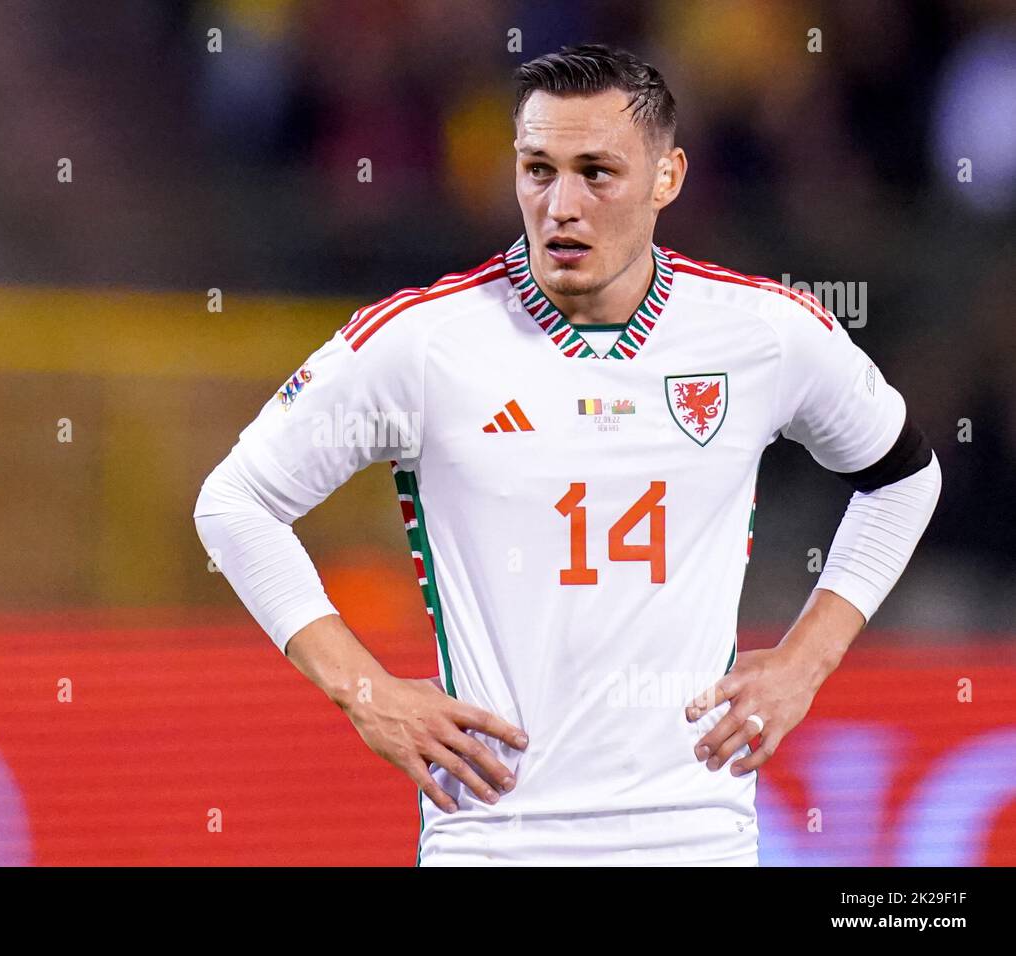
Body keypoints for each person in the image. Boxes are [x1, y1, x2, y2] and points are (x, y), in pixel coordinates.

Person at [194, 44, 941, 866]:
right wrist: (366, 692)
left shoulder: (763, 333)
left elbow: (903, 477)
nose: (561, 205)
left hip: (695, 834)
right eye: (537, 169)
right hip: (494, 834)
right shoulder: (423, 343)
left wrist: (807, 660)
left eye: (596, 172)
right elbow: (234, 504)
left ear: (668, 178)